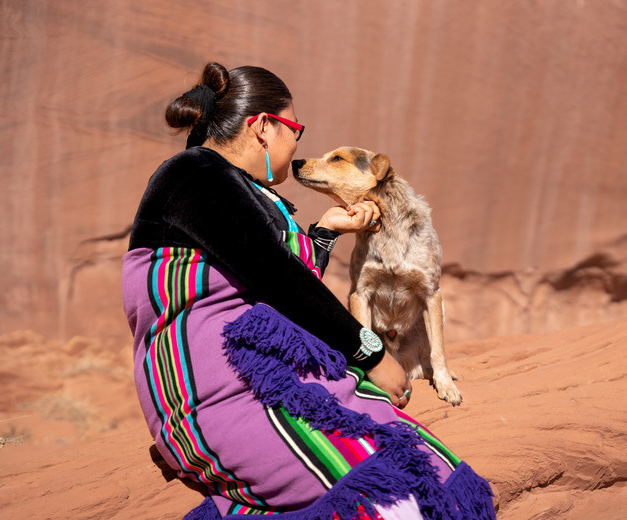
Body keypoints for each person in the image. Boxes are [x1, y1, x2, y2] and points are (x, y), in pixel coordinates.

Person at [121, 62, 495, 520]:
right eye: (295, 128)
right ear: (263, 128)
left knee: (429, 470)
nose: (298, 144)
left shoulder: (243, 189)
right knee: (387, 500)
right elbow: (277, 277)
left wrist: (325, 230)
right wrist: (372, 354)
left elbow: (280, 276)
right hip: (223, 385)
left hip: (272, 374)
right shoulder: (193, 174)